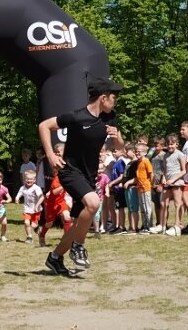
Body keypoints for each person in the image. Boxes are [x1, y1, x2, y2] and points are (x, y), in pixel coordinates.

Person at [39, 77, 124, 274]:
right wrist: (51, 155)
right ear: (103, 98)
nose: (116, 101)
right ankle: (78, 247)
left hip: (89, 175)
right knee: (93, 203)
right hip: (69, 171)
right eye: (114, 97)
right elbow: (44, 126)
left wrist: (117, 137)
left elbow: (119, 147)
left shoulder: (109, 117)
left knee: (78, 223)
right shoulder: (77, 117)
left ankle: (54, 258)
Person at [40, 143, 72, 246]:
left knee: (67, 217)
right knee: (49, 223)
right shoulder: (53, 164)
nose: (57, 154)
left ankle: (66, 240)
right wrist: (64, 185)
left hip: (61, 201)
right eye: (56, 152)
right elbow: (54, 191)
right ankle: (42, 234)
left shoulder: (66, 163)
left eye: (59, 152)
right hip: (52, 202)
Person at [159, 134, 186, 237]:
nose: (170, 146)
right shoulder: (166, 156)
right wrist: (164, 179)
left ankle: (177, 226)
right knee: (163, 203)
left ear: (176, 144)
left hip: (177, 182)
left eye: (172, 144)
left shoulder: (180, 154)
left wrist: (174, 180)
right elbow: (165, 170)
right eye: (168, 144)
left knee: (177, 204)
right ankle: (163, 225)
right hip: (168, 183)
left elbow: (184, 171)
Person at [127, 144, 153, 233]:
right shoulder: (139, 162)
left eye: (139, 151)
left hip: (146, 187)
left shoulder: (146, 161)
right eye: (136, 151)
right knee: (142, 208)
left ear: (145, 152)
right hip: (139, 188)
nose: (137, 153)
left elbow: (151, 174)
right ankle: (144, 225)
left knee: (147, 208)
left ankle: (149, 226)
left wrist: (150, 184)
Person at [14, 169, 45, 243]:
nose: (28, 180)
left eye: (31, 179)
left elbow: (42, 197)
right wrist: (17, 199)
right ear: (24, 179)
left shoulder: (36, 188)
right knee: (26, 223)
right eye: (27, 179)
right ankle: (29, 237)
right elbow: (19, 194)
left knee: (33, 225)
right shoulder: (22, 188)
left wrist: (37, 205)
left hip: (36, 210)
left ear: (34, 180)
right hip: (27, 209)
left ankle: (37, 228)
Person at [106, 145, 129, 235]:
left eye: (116, 150)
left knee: (120, 208)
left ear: (122, 151)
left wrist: (112, 183)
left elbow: (122, 176)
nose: (114, 152)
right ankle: (118, 226)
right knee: (118, 208)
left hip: (119, 189)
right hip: (115, 189)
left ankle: (122, 227)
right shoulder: (116, 162)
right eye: (113, 151)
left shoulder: (121, 162)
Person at [150, 137, 166, 229]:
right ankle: (158, 222)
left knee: (162, 204)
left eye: (157, 144)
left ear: (162, 146)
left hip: (161, 183)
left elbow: (165, 170)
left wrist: (161, 184)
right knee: (156, 203)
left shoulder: (164, 155)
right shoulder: (152, 156)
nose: (155, 146)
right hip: (153, 183)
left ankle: (164, 223)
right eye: (154, 144)